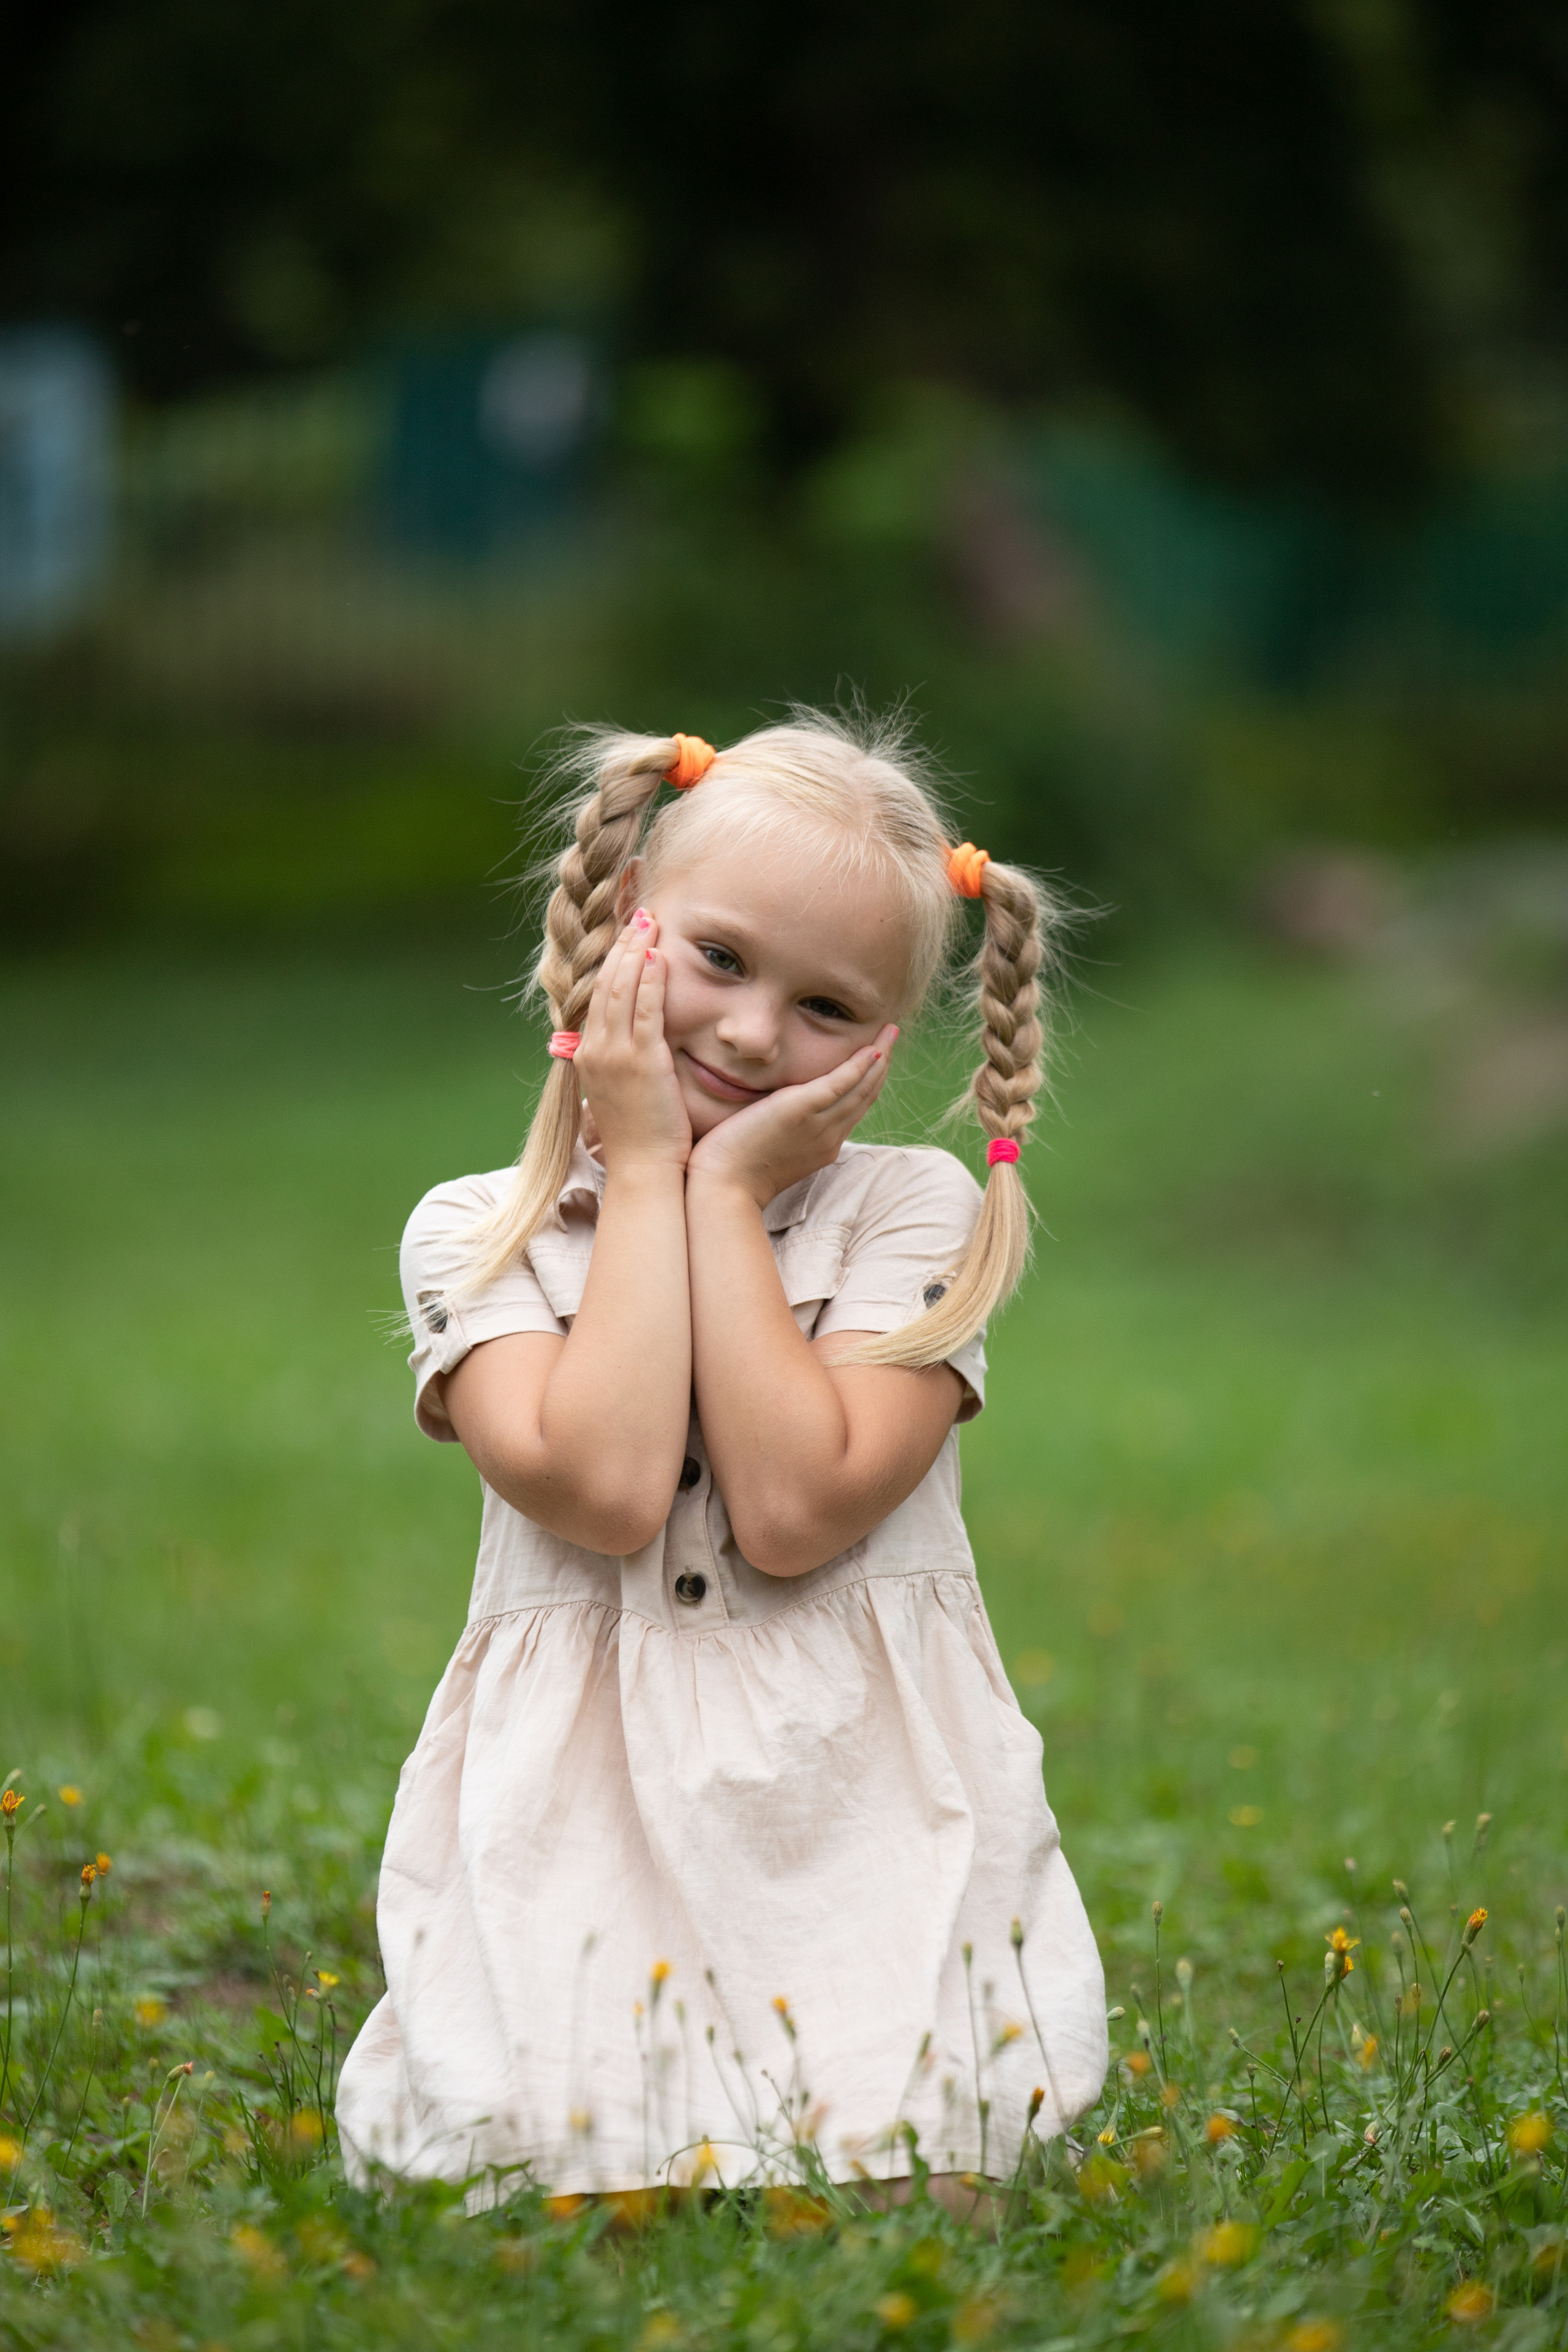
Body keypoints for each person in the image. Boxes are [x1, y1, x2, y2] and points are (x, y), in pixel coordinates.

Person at [336, 712, 1107, 2205]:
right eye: (723, 962)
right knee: (542, 2166)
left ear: (894, 1040)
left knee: (922, 2165)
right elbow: (606, 1484)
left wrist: (722, 1193)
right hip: (581, 1794)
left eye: (829, 1009)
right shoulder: (476, 1228)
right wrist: (641, 1171)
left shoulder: (912, 1214)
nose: (755, 1036)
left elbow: (795, 1506)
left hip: (855, 1789)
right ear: (626, 931)